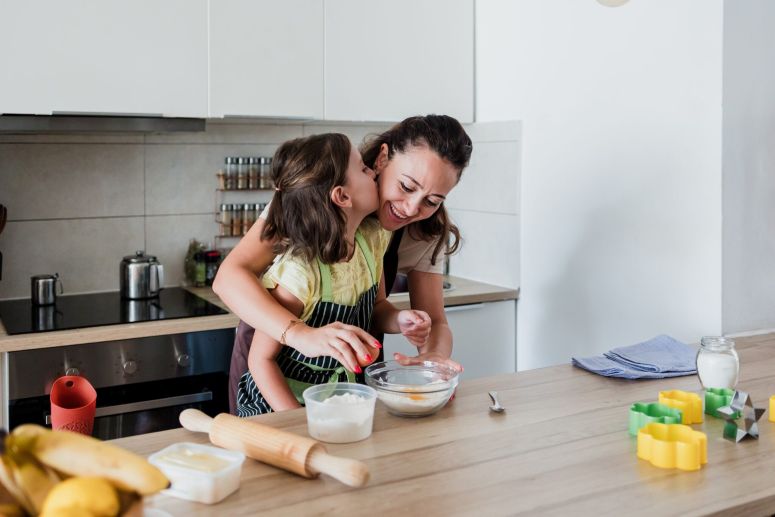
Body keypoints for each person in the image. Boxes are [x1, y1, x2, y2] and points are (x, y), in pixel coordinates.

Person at [213, 115, 473, 414]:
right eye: (405, 186)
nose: (412, 208)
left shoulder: (403, 235)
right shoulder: (315, 192)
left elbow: (428, 319)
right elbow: (229, 277)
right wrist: (300, 335)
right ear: (383, 159)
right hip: (274, 355)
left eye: (433, 201)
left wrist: (433, 360)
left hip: (347, 378)